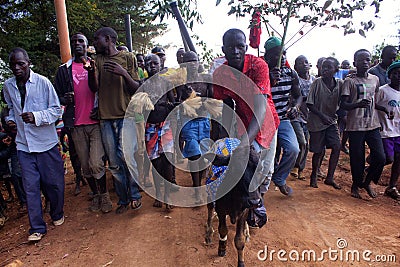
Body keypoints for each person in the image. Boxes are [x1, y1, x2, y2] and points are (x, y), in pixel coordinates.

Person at [213, 28, 279, 227]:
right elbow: (225, 107)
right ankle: (245, 199)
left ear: (246, 47)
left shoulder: (259, 66)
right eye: (230, 47)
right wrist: (224, 140)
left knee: (265, 169)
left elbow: (260, 106)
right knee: (244, 166)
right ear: (223, 49)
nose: (235, 51)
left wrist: (245, 143)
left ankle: (258, 201)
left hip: (265, 122)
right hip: (242, 121)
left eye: (240, 46)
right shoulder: (221, 73)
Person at [3, 48, 65, 242]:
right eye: (13, 64)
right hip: (24, 145)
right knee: (30, 187)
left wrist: (36, 117)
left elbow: (56, 111)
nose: (17, 68)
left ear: (28, 62)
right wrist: (11, 120)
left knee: (53, 184)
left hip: (46, 143)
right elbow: (11, 109)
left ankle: (57, 213)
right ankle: (36, 227)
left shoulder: (43, 83)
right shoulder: (8, 86)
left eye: (20, 63)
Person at [55, 33, 111, 213]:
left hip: (95, 122)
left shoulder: (95, 65)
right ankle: (95, 195)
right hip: (75, 124)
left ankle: (105, 196)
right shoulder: (64, 70)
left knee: (96, 162)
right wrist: (64, 98)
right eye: (74, 41)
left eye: (81, 41)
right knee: (85, 166)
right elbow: (55, 97)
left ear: (87, 46)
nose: (77, 44)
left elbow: (103, 89)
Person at [92, 27, 142, 213]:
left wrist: (124, 73)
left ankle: (135, 196)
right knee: (114, 162)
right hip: (105, 118)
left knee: (128, 158)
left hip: (125, 117)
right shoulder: (97, 60)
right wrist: (91, 72)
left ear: (108, 39)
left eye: (97, 39)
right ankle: (123, 199)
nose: (94, 43)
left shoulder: (128, 58)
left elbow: (136, 88)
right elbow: (94, 88)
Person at [340, 49, 386, 199]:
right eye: (361, 60)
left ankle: (366, 182)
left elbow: (374, 101)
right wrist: (357, 104)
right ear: (355, 63)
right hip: (355, 125)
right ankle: (355, 184)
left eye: (368, 59)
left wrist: (384, 110)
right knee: (357, 158)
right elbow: (344, 105)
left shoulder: (375, 80)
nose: (365, 63)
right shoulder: (350, 81)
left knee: (380, 157)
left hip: (372, 124)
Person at [263, 36, 301, 196]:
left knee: (294, 149)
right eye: (277, 55)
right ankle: (259, 190)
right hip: (264, 121)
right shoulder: (261, 72)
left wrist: (295, 107)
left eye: (284, 53)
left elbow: (299, 95)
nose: (282, 58)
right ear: (267, 57)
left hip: (283, 119)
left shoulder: (290, 73)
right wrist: (269, 80)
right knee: (265, 159)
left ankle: (280, 178)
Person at [142, 54, 175, 209]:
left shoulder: (166, 82)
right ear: (145, 66)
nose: (152, 66)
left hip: (165, 125)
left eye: (155, 63)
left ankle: (168, 195)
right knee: (155, 163)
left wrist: (168, 105)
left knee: (167, 161)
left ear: (160, 65)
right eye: (149, 63)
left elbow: (173, 102)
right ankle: (159, 194)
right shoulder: (142, 85)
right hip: (150, 126)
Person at [179, 51, 213, 203]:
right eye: (188, 61)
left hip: (204, 120)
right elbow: (177, 104)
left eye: (194, 60)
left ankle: (200, 183)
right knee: (194, 154)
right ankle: (196, 188)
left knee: (204, 155)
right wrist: (186, 99)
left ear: (198, 62)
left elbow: (212, 99)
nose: (192, 64)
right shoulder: (181, 81)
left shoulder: (206, 79)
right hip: (189, 121)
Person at [307, 57, 342, 189]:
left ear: (336, 70)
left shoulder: (340, 84)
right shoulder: (317, 83)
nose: (325, 70)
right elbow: (310, 104)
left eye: (328, 67)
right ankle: (314, 174)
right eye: (323, 67)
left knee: (337, 146)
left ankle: (330, 177)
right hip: (317, 121)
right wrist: (322, 116)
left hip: (331, 121)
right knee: (318, 151)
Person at [375, 60, 400, 199]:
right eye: (395, 73)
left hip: (398, 131)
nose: (398, 76)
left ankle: (392, 186)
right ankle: (371, 164)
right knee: (388, 158)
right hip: (385, 130)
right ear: (389, 75)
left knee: (398, 159)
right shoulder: (383, 90)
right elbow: (373, 105)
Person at [290, 55, 314, 180]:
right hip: (296, 115)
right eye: (301, 63)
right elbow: (294, 97)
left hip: (309, 116)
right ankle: (295, 166)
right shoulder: (295, 80)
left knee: (307, 144)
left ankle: (300, 170)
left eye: (306, 62)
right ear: (295, 67)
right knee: (301, 142)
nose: (304, 64)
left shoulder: (314, 80)